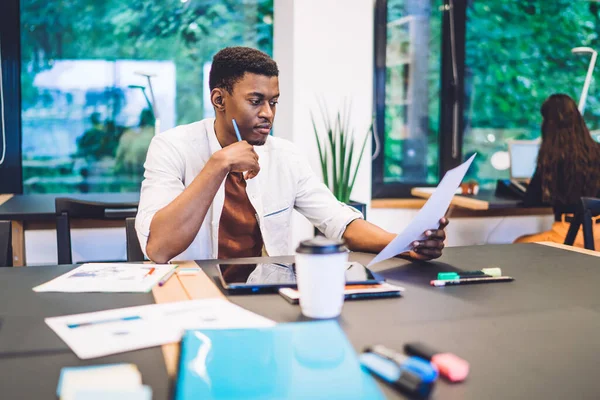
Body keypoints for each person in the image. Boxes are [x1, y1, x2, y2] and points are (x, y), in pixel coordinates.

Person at [136, 47, 448, 264]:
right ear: (219, 99)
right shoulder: (171, 147)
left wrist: (405, 243)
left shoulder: (284, 155)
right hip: (194, 295)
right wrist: (219, 164)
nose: (267, 114)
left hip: (266, 295)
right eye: (256, 101)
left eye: (273, 102)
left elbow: (339, 222)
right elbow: (159, 249)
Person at [515, 93, 600, 248]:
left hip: (568, 232)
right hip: (598, 236)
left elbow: (531, 200)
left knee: (519, 243)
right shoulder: (598, 151)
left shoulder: (551, 159)